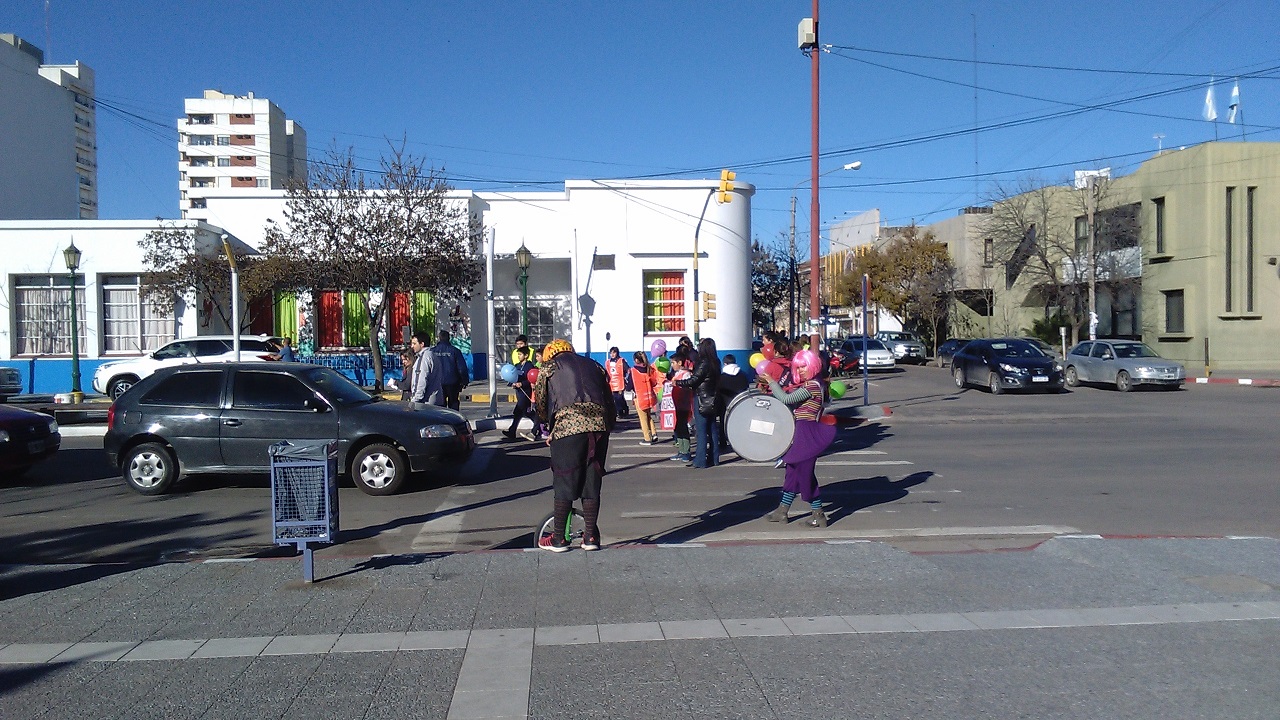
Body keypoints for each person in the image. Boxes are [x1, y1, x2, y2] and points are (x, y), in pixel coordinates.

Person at [533, 339, 616, 552]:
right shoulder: (595, 365)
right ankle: (590, 537)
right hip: (599, 427)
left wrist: (550, 426)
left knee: (564, 480)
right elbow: (609, 400)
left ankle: (558, 538)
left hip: (568, 427)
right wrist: (607, 426)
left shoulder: (549, 367)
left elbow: (541, 403)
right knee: (592, 481)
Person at [762, 348, 836, 528]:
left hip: (807, 433)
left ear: (813, 366)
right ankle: (782, 511)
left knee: (805, 474)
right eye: (798, 367)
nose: (801, 370)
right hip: (802, 432)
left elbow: (786, 399)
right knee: (793, 472)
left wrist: (772, 382)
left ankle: (818, 515)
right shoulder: (812, 384)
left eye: (804, 366)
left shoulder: (812, 386)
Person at [675, 337, 722, 468]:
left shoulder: (704, 362)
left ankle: (700, 460)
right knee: (712, 429)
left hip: (702, 398)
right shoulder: (716, 362)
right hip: (713, 398)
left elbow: (694, 380)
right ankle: (714, 458)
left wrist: (678, 382)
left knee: (701, 431)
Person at [717, 353, 750, 449]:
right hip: (740, 403)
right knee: (739, 423)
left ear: (725, 364)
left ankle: (723, 442)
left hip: (725, 403)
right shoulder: (743, 375)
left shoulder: (721, 377)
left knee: (723, 422)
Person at [504, 346, 536, 441]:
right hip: (519, 392)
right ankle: (540, 425)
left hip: (526, 392)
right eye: (518, 354)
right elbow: (513, 376)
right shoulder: (517, 366)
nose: (519, 356)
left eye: (520, 354)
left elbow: (531, 379)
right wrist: (512, 384)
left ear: (526, 355)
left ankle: (512, 430)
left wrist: (522, 384)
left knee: (518, 411)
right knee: (526, 412)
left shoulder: (529, 366)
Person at [431, 330, 470, 410]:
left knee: (440, 406)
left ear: (439, 338)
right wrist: (464, 381)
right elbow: (462, 368)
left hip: (437, 383)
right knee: (453, 404)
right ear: (449, 338)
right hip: (453, 382)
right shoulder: (455, 351)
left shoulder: (432, 351)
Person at [668, 349, 694, 463]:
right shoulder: (677, 374)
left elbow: (687, 388)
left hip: (684, 405)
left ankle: (686, 451)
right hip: (677, 405)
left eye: (673, 363)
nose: (672, 365)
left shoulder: (686, 374)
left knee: (683, 427)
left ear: (680, 362)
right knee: (678, 427)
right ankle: (681, 450)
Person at [630, 351, 660, 445]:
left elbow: (629, 385)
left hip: (640, 397)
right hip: (649, 397)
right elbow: (654, 383)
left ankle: (647, 438)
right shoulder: (649, 369)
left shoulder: (633, 371)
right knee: (648, 416)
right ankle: (654, 433)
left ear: (636, 360)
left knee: (643, 419)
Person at [409, 330, 442, 408]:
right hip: (435, 398)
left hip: (425, 402)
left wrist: (415, 400)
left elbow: (421, 380)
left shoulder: (423, 358)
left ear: (422, 344)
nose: (412, 346)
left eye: (414, 343)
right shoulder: (432, 355)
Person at [605, 346, 630, 419]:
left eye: (614, 352)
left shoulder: (621, 361)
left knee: (619, 397)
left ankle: (624, 409)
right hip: (612, 383)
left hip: (620, 382)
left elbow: (628, 369)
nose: (612, 354)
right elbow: (607, 372)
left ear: (617, 353)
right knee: (615, 398)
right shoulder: (608, 362)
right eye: (611, 353)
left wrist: (627, 377)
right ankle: (619, 411)